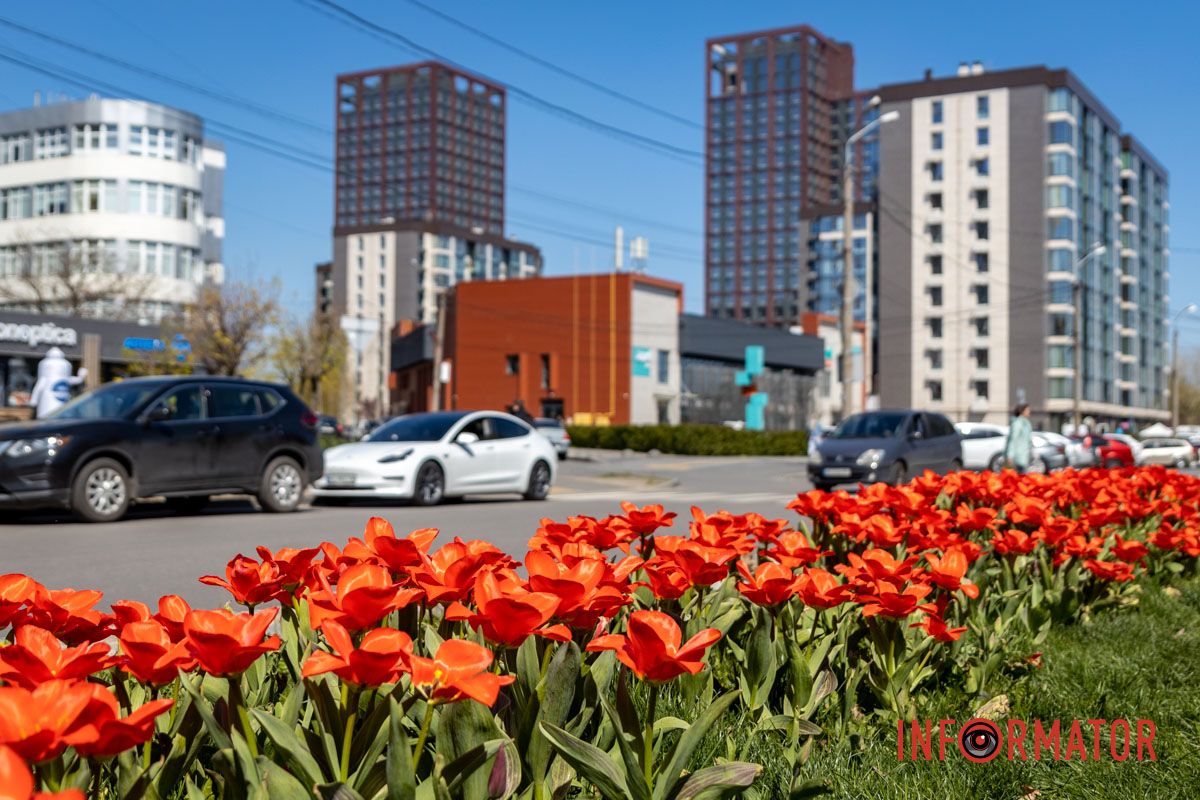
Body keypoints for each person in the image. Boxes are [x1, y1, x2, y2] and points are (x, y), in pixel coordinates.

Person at [29, 347, 87, 419]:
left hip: (56, 411)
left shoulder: (46, 365)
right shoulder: (47, 365)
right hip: (47, 410)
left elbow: (40, 385)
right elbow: (40, 384)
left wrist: (80, 378)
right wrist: (34, 400)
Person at [1003, 403, 1033, 473]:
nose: (1029, 412)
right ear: (1021, 411)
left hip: (1024, 456)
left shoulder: (1026, 423)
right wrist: (1009, 456)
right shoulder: (1017, 423)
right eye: (1027, 410)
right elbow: (1012, 440)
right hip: (1016, 457)